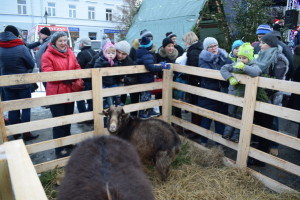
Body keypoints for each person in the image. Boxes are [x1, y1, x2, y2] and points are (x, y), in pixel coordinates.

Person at [248, 33, 289, 166]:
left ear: (270, 44)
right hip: (260, 97)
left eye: (263, 43)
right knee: (259, 126)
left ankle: (261, 159)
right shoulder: (262, 56)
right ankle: (259, 154)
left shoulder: (279, 60)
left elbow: (276, 83)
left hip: (269, 99)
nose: (260, 45)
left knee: (266, 128)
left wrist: (262, 92)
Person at [41, 31, 81, 158]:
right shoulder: (47, 55)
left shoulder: (70, 52)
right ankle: (59, 148)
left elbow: (77, 67)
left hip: (69, 90)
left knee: (68, 119)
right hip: (56, 93)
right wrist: (65, 77)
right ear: (54, 42)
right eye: (60, 41)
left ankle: (67, 143)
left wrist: (76, 79)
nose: (63, 43)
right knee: (59, 122)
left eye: (65, 40)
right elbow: (48, 73)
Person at [0, 25, 39, 141]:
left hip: (6, 84)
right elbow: (31, 64)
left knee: (12, 108)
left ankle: (15, 133)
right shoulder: (21, 47)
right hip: (23, 83)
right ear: (16, 34)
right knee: (25, 108)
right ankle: (26, 133)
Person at [221, 43, 262, 142]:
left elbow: (256, 72)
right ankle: (227, 134)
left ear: (250, 58)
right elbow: (223, 68)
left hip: (244, 96)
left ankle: (236, 137)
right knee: (231, 114)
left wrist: (244, 67)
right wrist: (230, 77)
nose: (241, 60)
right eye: (239, 57)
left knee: (240, 116)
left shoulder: (253, 65)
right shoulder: (235, 64)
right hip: (233, 94)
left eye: (244, 58)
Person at [197, 37, 232, 145]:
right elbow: (210, 74)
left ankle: (219, 144)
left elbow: (232, 66)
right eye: (210, 47)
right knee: (207, 118)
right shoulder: (203, 59)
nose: (213, 48)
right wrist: (225, 72)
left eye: (215, 45)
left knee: (220, 119)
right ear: (206, 48)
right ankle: (203, 142)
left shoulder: (224, 56)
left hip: (222, 93)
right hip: (209, 93)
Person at [136, 36, 171, 119]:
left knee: (147, 95)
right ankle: (143, 112)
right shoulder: (146, 55)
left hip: (143, 78)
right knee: (146, 96)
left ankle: (149, 110)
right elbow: (150, 67)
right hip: (145, 78)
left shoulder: (140, 52)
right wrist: (163, 67)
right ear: (149, 46)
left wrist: (159, 64)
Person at [182, 31, 203, 139]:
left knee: (195, 106)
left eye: (185, 42)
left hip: (195, 82)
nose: (185, 44)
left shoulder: (193, 52)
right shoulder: (199, 48)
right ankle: (194, 128)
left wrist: (186, 74)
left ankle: (196, 130)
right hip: (198, 82)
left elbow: (194, 68)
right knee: (196, 105)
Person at [94, 41, 123, 108]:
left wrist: (115, 66)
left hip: (113, 81)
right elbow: (96, 68)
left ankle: (118, 100)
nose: (111, 55)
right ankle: (105, 103)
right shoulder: (100, 60)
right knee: (105, 93)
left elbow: (118, 71)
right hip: (104, 82)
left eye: (113, 53)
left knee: (116, 90)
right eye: (108, 53)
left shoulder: (115, 61)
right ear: (104, 53)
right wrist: (105, 65)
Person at [156, 37, 179, 118]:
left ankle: (176, 124)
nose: (171, 48)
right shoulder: (158, 56)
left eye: (172, 46)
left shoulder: (176, 56)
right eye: (168, 46)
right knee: (161, 104)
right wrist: (160, 66)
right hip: (161, 84)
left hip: (174, 83)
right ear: (164, 47)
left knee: (174, 104)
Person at [115, 40, 139, 116]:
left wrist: (125, 79)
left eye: (123, 54)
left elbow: (135, 78)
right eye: (118, 52)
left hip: (124, 85)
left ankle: (133, 116)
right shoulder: (111, 58)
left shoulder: (129, 62)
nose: (120, 55)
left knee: (133, 94)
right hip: (113, 86)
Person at [76, 37, 97, 114]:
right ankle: (90, 115)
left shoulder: (81, 54)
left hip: (84, 80)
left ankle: (83, 116)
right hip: (93, 79)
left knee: (80, 98)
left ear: (82, 44)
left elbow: (79, 67)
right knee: (91, 99)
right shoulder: (94, 52)